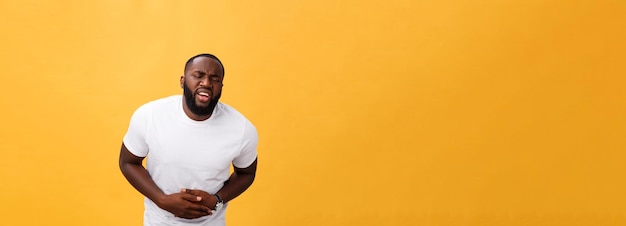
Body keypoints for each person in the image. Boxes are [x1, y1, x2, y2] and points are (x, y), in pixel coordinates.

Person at [119, 53, 258, 226]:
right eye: (198, 75)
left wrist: (217, 200)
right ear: (183, 81)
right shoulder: (149, 116)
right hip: (158, 222)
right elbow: (128, 162)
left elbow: (247, 173)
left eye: (214, 79)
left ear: (221, 86)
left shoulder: (242, 129)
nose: (206, 83)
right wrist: (162, 200)